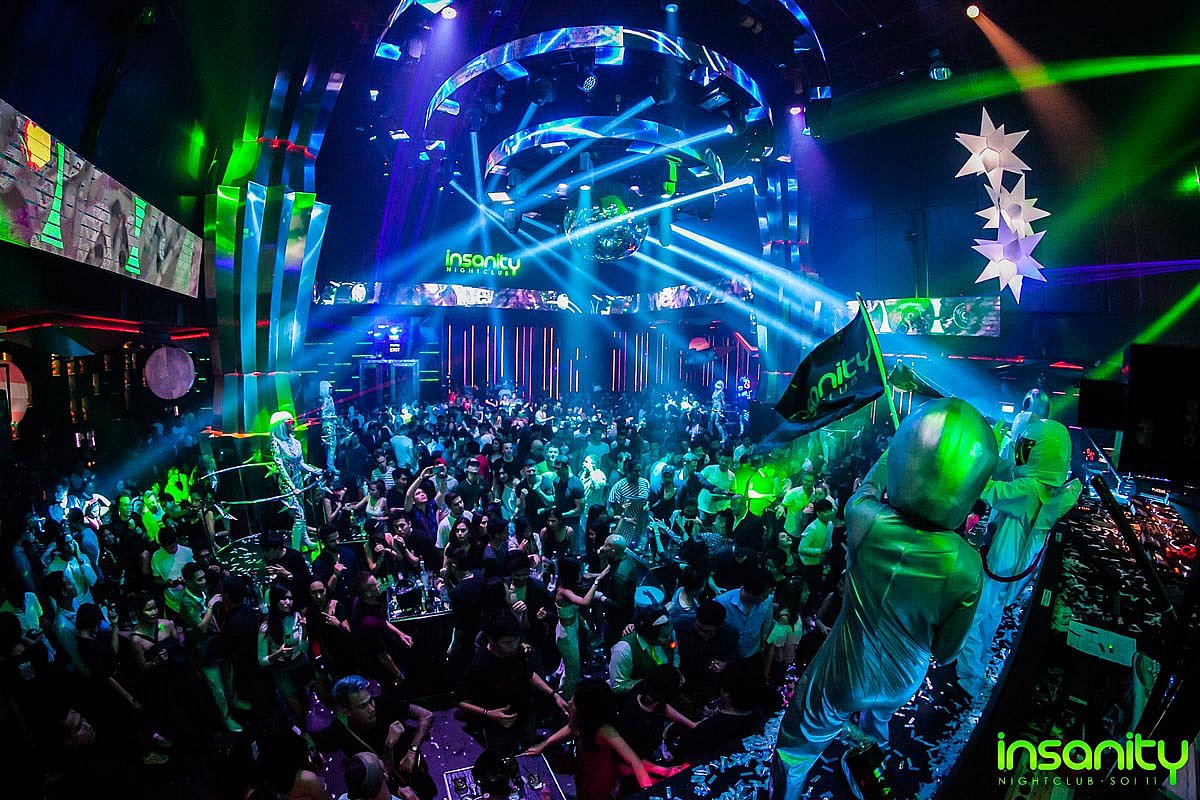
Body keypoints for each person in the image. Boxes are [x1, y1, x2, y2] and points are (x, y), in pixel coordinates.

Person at [773, 398, 997, 800]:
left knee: (796, 746)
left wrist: (896, 447)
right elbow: (946, 653)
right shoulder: (967, 566)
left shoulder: (866, 519)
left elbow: (871, 486)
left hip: (844, 673)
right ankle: (864, 776)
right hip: (901, 681)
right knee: (875, 731)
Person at [956, 417, 1082, 695]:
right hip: (1008, 569)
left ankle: (968, 683)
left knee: (973, 620)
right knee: (990, 617)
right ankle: (979, 672)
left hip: (998, 568)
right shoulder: (1043, 488)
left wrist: (984, 453)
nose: (1020, 454)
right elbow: (1007, 475)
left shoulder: (1028, 490)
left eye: (1026, 448)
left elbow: (988, 490)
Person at [522, 679, 677, 800]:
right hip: (584, 773)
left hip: (599, 782)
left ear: (586, 707)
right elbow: (571, 728)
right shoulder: (582, 720)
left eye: (574, 700)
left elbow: (634, 761)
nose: (569, 702)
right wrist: (544, 744)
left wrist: (647, 792)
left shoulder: (605, 731)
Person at [457, 611, 569, 754]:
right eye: (507, 643)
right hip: (496, 725)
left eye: (516, 640)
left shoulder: (519, 651)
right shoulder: (480, 665)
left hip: (525, 714)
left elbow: (529, 674)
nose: (514, 646)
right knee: (501, 756)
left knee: (530, 748)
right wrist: (489, 714)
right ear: (491, 639)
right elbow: (461, 701)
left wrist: (554, 695)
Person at [317, 675, 436, 800]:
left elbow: (427, 716)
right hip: (387, 789)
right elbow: (382, 773)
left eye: (370, 701)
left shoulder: (384, 703)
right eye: (363, 706)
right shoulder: (340, 732)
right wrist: (389, 745)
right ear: (346, 711)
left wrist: (412, 751)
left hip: (416, 771)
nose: (372, 708)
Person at [258, 582, 314, 729]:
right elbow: (261, 660)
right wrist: (276, 655)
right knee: (297, 708)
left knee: (313, 699)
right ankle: (305, 734)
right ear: (275, 601)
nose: (288, 602)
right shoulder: (266, 626)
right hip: (281, 669)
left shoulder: (296, 616)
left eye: (290, 598)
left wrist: (305, 631)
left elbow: (303, 648)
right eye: (283, 598)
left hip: (300, 662)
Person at [554, 556, 610, 699]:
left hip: (570, 628)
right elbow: (585, 602)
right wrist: (597, 582)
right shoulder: (564, 591)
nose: (581, 574)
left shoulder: (564, 582)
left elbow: (587, 576)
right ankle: (565, 697)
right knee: (573, 670)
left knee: (569, 664)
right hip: (566, 635)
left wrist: (602, 573)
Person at [270, 410, 323, 551]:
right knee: (299, 517)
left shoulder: (296, 442)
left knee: (302, 513)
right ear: (281, 426)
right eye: (289, 422)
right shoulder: (276, 443)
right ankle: (295, 550)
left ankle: (306, 540)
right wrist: (292, 487)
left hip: (298, 481)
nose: (293, 424)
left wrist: (316, 470)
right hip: (287, 485)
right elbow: (281, 468)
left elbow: (301, 464)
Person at [674, 599, 738, 702]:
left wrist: (724, 663)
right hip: (685, 673)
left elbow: (733, 653)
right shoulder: (681, 624)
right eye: (699, 628)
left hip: (711, 679)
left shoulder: (730, 633)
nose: (702, 634)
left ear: (720, 626)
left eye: (708, 631)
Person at [608, 605, 678, 695]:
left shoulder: (669, 632)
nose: (669, 638)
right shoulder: (623, 650)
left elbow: (675, 654)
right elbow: (617, 686)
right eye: (664, 637)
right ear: (650, 634)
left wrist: (675, 671)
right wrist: (647, 684)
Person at [715, 569, 774, 669]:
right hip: (726, 658)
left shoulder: (767, 602)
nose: (767, 597)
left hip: (752, 655)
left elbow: (766, 627)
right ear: (751, 592)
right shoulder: (722, 603)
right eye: (764, 595)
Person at [319, 380, 340, 479]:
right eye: (330, 388)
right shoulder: (325, 400)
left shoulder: (329, 398)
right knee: (331, 445)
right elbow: (323, 414)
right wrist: (333, 417)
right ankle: (330, 466)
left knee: (332, 445)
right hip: (328, 424)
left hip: (331, 424)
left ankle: (331, 465)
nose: (331, 390)